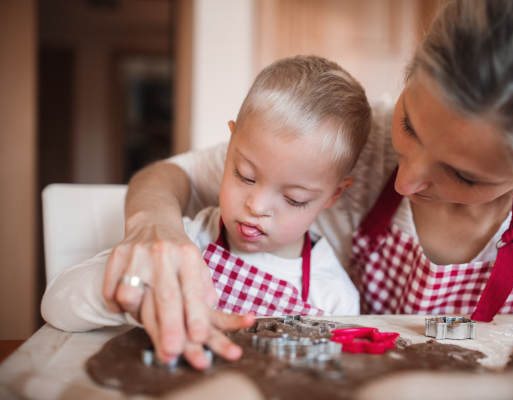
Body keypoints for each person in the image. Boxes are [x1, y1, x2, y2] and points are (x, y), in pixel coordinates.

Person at [101, 0, 513, 369]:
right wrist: (153, 225)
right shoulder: (340, 143)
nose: (405, 180)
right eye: (410, 126)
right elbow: (174, 175)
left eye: (463, 175)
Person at [41, 55, 371, 369]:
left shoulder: (334, 296)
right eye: (245, 175)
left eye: (295, 199)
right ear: (228, 149)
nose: (256, 207)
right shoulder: (187, 240)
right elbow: (56, 304)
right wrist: (138, 295)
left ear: (333, 195)